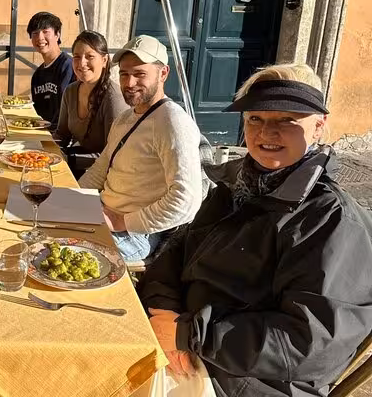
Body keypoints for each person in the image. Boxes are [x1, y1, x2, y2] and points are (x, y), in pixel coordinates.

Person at [138, 63, 372, 396]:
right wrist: (165, 312)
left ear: (319, 126)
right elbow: (177, 253)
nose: (266, 133)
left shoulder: (331, 220)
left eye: (286, 120)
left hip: (250, 381)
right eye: (255, 119)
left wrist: (190, 335)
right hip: (186, 342)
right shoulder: (236, 187)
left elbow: (309, 343)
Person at [78, 35, 203, 263]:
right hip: (102, 212)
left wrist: (122, 222)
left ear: (163, 73)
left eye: (140, 74)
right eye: (124, 74)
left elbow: (187, 201)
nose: (129, 83)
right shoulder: (126, 118)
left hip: (134, 235)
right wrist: (69, 198)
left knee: (60, 253)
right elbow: (101, 169)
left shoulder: (173, 122)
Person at [54, 30, 127, 178]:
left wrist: (70, 159)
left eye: (90, 56)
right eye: (76, 57)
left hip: (104, 178)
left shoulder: (113, 99)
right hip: (77, 165)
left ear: (105, 60)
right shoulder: (71, 91)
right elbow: (62, 135)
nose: (82, 63)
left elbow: (115, 156)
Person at [27, 12, 74, 129]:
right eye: (35, 33)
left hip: (62, 136)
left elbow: (69, 110)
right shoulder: (37, 75)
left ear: (57, 34)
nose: (40, 38)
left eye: (45, 31)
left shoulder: (68, 66)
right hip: (42, 131)